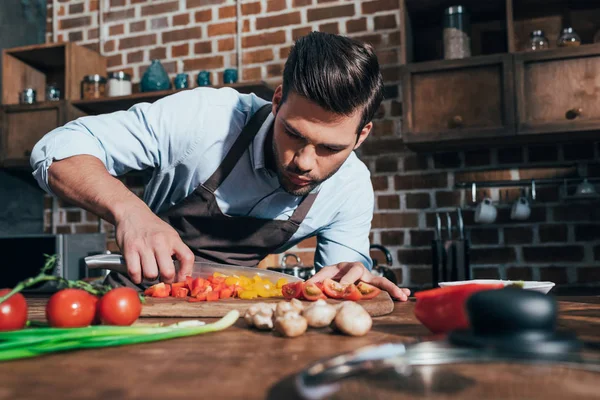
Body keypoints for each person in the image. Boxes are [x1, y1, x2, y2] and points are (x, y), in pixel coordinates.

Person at [30, 32, 411, 301]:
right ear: (277, 101)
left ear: (361, 137)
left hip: (233, 322)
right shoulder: (204, 120)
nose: (304, 162)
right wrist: (131, 211)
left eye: (331, 148)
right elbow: (56, 150)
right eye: (294, 134)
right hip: (132, 307)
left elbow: (340, 281)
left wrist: (350, 279)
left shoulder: (351, 188)